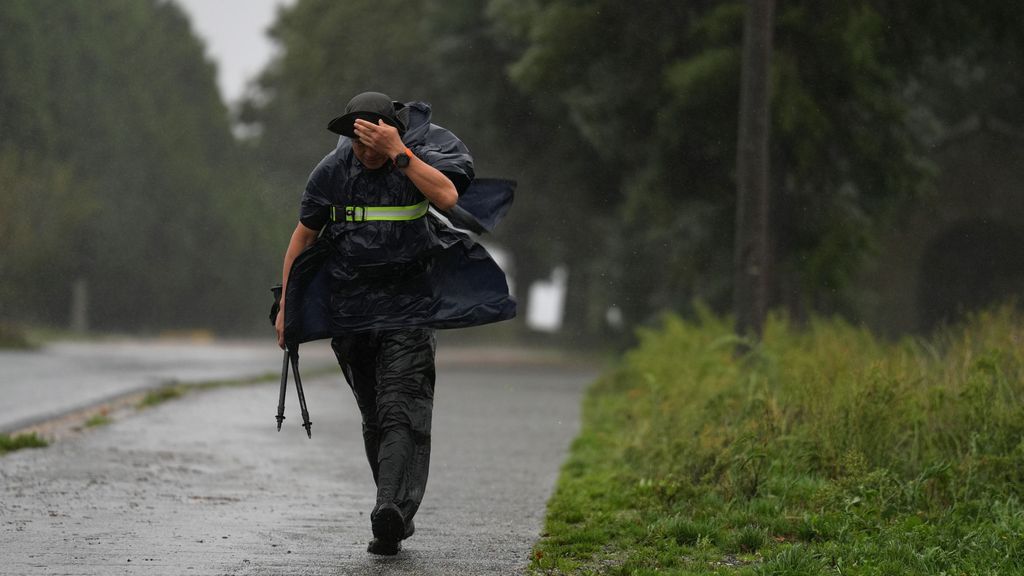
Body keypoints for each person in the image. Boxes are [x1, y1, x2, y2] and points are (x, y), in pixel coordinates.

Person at [274, 91, 514, 555]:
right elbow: (302, 238)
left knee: (400, 409)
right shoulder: (330, 173)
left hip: (409, 308)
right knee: (374, 415)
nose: (363, 151)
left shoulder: (412, 161)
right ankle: (395, 509)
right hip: (352, 313)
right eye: (356, 141)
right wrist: (288, 307)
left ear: (389, 133)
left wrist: (398, 154)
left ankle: (388, 512)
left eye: (371, 141)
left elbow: (446, 196)